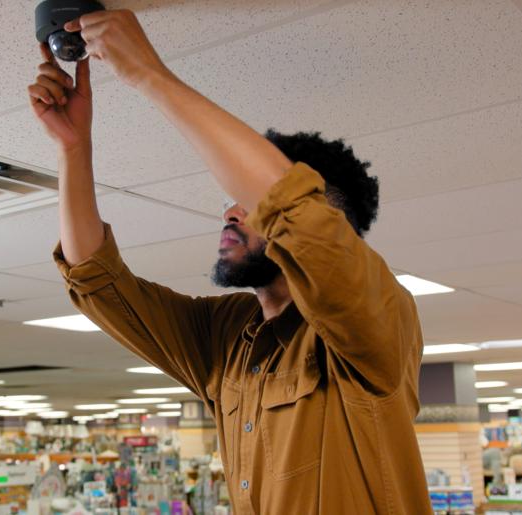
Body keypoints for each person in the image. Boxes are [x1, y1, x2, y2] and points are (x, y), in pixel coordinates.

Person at [28, 10, 431, 514]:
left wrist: (149, 74)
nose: (230, 211)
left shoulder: (376, 321)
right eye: (231, 199)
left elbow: (294, 208)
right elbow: (99, 284)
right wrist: (73, 147)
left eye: (248, 201)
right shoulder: (226, 335)